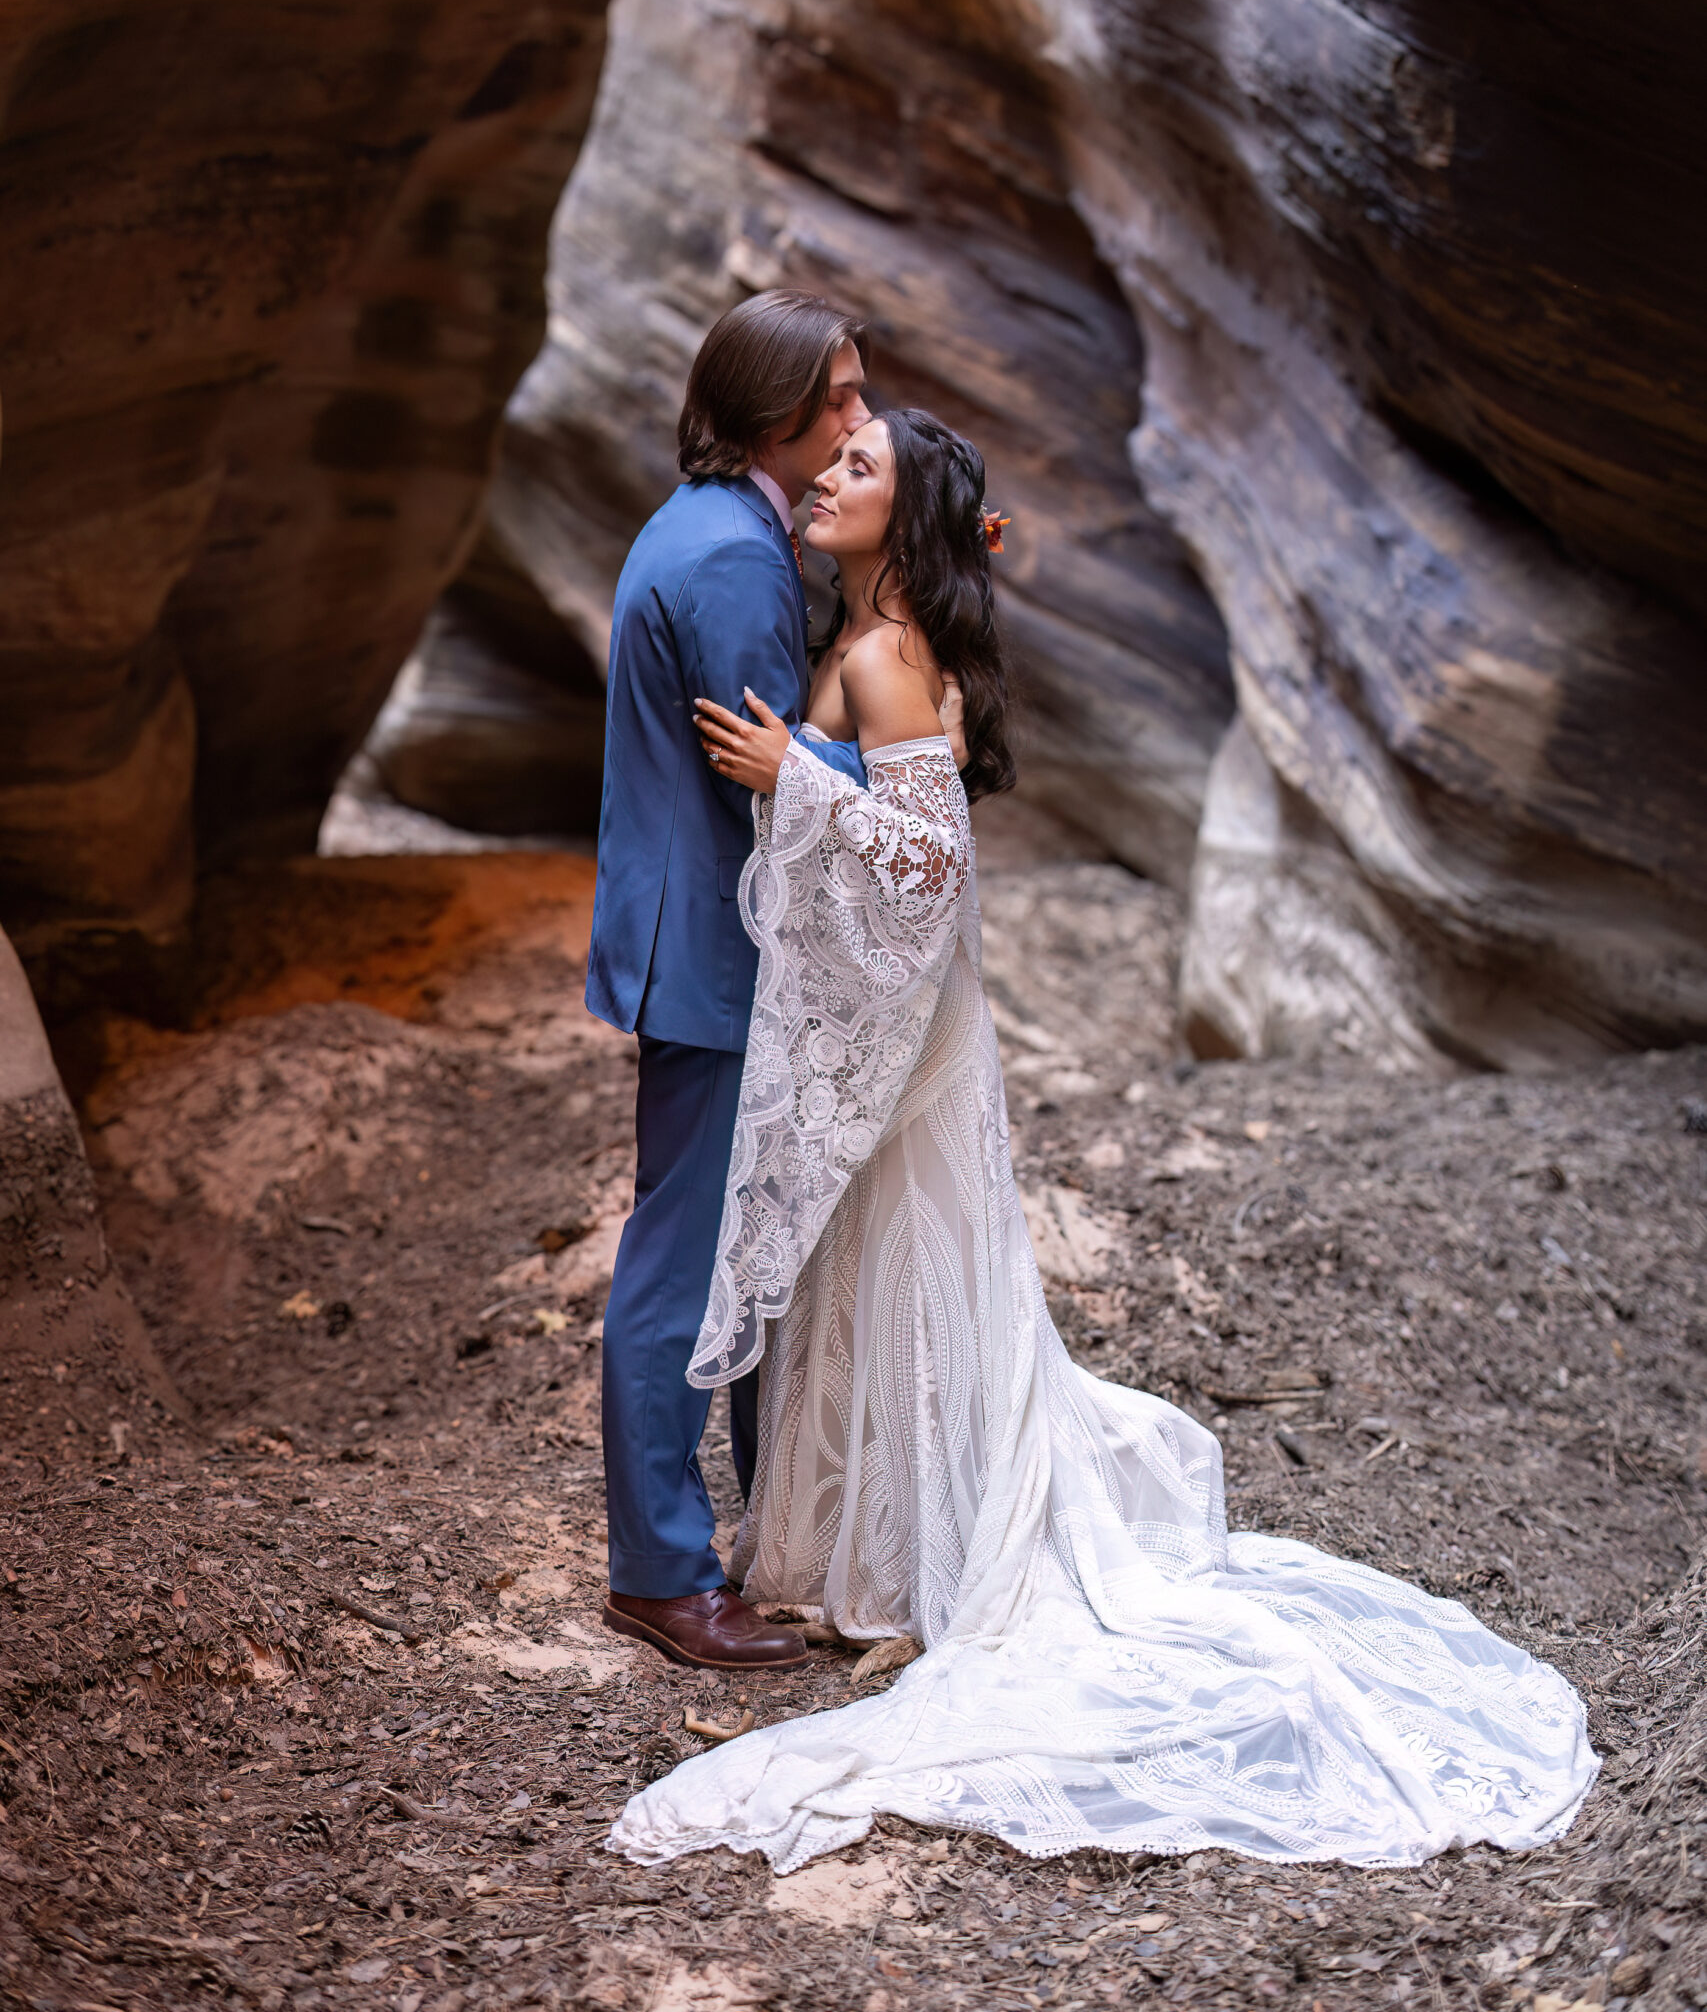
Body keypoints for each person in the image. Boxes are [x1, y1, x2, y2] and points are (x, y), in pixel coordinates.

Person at [603, 405, 1597, 1875]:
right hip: (893, 1019)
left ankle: (935, 1542)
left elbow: (933, 863)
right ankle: (872, 1543)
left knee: (924, 1259)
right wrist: (814, 777)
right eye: (831, 455)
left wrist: (792, 782)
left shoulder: (880, 654)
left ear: (906, 520)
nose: (827, 476)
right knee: (869, 1267)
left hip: (919, 1029)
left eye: (858, 467)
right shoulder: (861, 633)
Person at [589, 293, 961, 1674]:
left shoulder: (707, 525)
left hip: (688, 934)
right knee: (686, 1270)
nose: (864, 420)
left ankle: (759, 1542)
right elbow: (778, 793)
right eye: (847, 400)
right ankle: (663, 1574)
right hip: (714, 955)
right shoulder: (739, 565)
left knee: (744, 1257)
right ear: (778, 414)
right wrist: (922, 756)